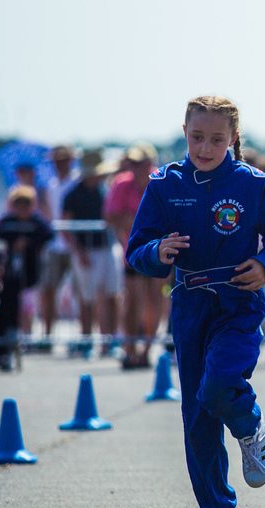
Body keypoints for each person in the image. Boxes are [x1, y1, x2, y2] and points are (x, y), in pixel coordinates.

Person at [126, 95, 265, 508]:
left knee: (220, 384)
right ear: (185, 132)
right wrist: (156, 251)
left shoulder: (253, 184)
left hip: (238, 303)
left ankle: (250, 429)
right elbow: (137, 248)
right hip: (188, 306)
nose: (206, 147)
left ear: (233, 139)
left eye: (217, 139)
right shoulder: (165, 184)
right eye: (198, 137)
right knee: (197, 419)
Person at [105, 143, 164, 368]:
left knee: (154, 300)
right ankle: (130, 349)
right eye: (133, 163)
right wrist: (138, 221)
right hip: (133, 252)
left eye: (140, 162)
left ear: (150, 162)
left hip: (159, 250)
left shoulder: (162, 181)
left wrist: (134, 219)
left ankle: (146, 350)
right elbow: (111, 217)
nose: (137, 168)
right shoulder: (122, 184)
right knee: (131, 300)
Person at [0, 186, 54, 370]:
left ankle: (24, 341)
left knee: (27, 309)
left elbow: (49, 232)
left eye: (26, 204)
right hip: (10, 276)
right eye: (19, 204)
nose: (23, 208)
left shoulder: (37, 222)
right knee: (6, 309)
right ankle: (2, 350)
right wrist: (12, 242)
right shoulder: (7, 221)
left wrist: (29, 243)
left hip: (31, 276)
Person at [62, 150, 122, 358]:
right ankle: (86, 340)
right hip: (86, 252)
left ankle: (111, 341)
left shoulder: (106, 190)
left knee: (112, 295)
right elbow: (66, 226)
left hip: (108, 248)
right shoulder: (73, 194)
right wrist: (79, 252)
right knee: (87, 299)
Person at [39, 146, 80, 352]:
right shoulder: (51, 185)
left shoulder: (77, 182)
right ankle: (47, 336)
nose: (59, 164)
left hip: (74, 245)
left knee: (79, 292)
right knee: (49, 290)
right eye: (56, 160)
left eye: (63, 160)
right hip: (55, 245)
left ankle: (80, 338)